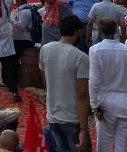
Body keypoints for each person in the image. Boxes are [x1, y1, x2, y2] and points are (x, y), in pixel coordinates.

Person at [89, 18, 127, 152]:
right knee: (124, 147)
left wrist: (94, 105)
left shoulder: (95, 50)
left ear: (100, 32)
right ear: (116, 30)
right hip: (125, 104)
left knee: (104, 145)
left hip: (105, 104)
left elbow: (94, 81)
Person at [38, 15, 90, 152]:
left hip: (53, 117)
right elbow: (82, 95)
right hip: (72, 119)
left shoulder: (45, 49)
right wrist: (83, 130)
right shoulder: (81, 57)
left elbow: (45, 81)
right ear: (77, 32)